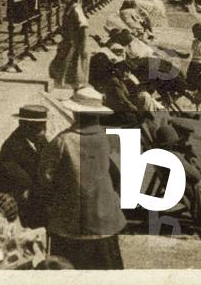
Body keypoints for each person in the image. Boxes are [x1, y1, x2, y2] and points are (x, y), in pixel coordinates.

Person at [39, 86, 125, 269]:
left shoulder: (63, 141)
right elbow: (114, 172)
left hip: (70, 221)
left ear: (76, 113)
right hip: (104, 218)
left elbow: (45, 177)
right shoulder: (108, 138)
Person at [0, 105, 49, 228]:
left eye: (44, 126)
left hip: (36, 196)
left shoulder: (38, 139)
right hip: (22, 205)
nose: (43, 131)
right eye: (38, 128)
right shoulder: (12, 148)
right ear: (24, 125)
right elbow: (23, 183)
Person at [49, 0, 89, 90]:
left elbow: (83, 27)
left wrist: (83, 47)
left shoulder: (76, 9)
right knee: (57, 68)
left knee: (73, 70)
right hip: (67, 43)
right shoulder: (69, 8)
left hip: (74, 44)